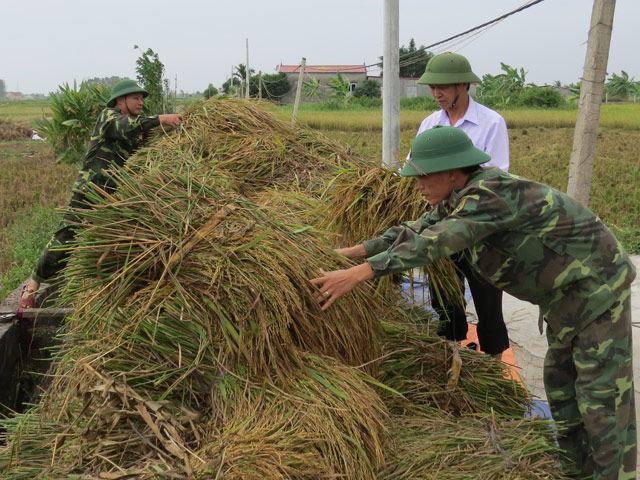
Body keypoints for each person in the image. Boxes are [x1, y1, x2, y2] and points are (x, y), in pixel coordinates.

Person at [311, 126, 636, 479]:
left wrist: (359, 274)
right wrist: (348, 254)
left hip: (596, 291)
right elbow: (412, 232)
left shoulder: (490, 194)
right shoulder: (459, 196)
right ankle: (576, 473)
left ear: (453, 171)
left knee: (602, 401)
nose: (417, 184)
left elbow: (436, 242)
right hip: (563, 300)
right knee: (561, 387)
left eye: (423, 176)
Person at [19, 79, 183, 308]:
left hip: (113, 198)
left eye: (142, 98)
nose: (140, 102)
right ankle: (33, 284)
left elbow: (147, 141)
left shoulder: (136, 127)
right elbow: (128, 127)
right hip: (91, 190)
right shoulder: (108, 117)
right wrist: (160, 119)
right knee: (66, 237)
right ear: (120, 100)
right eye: (135, 98)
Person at [414, 51, 510, 358]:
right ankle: (451, 352)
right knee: (445, 295)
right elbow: (415, 168)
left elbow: (495, 177)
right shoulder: (429, 125)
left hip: (480, 229)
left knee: (487, 300)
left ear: (464, 85)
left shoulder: (490, 123)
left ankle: (494, 362)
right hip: (441, 225)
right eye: (432, 88)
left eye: (443, 87)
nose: (436, 94)